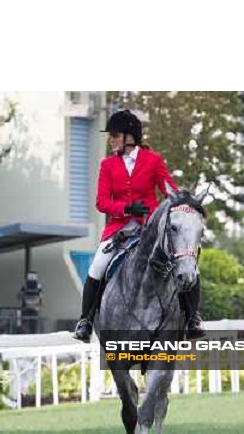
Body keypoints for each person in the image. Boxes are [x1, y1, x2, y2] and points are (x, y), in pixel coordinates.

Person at [73, 109, 204, 342]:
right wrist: (126, 208)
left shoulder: (153, 161)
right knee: (97, 266)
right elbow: (101, 202)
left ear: (129, 136)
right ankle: (86, 320)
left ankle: (192, 318)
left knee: (187, 264)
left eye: (114, 135)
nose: (110, 139)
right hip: (119, 230)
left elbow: (169, 190)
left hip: (151, 231)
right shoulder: (107, 165)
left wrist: (184, 203)